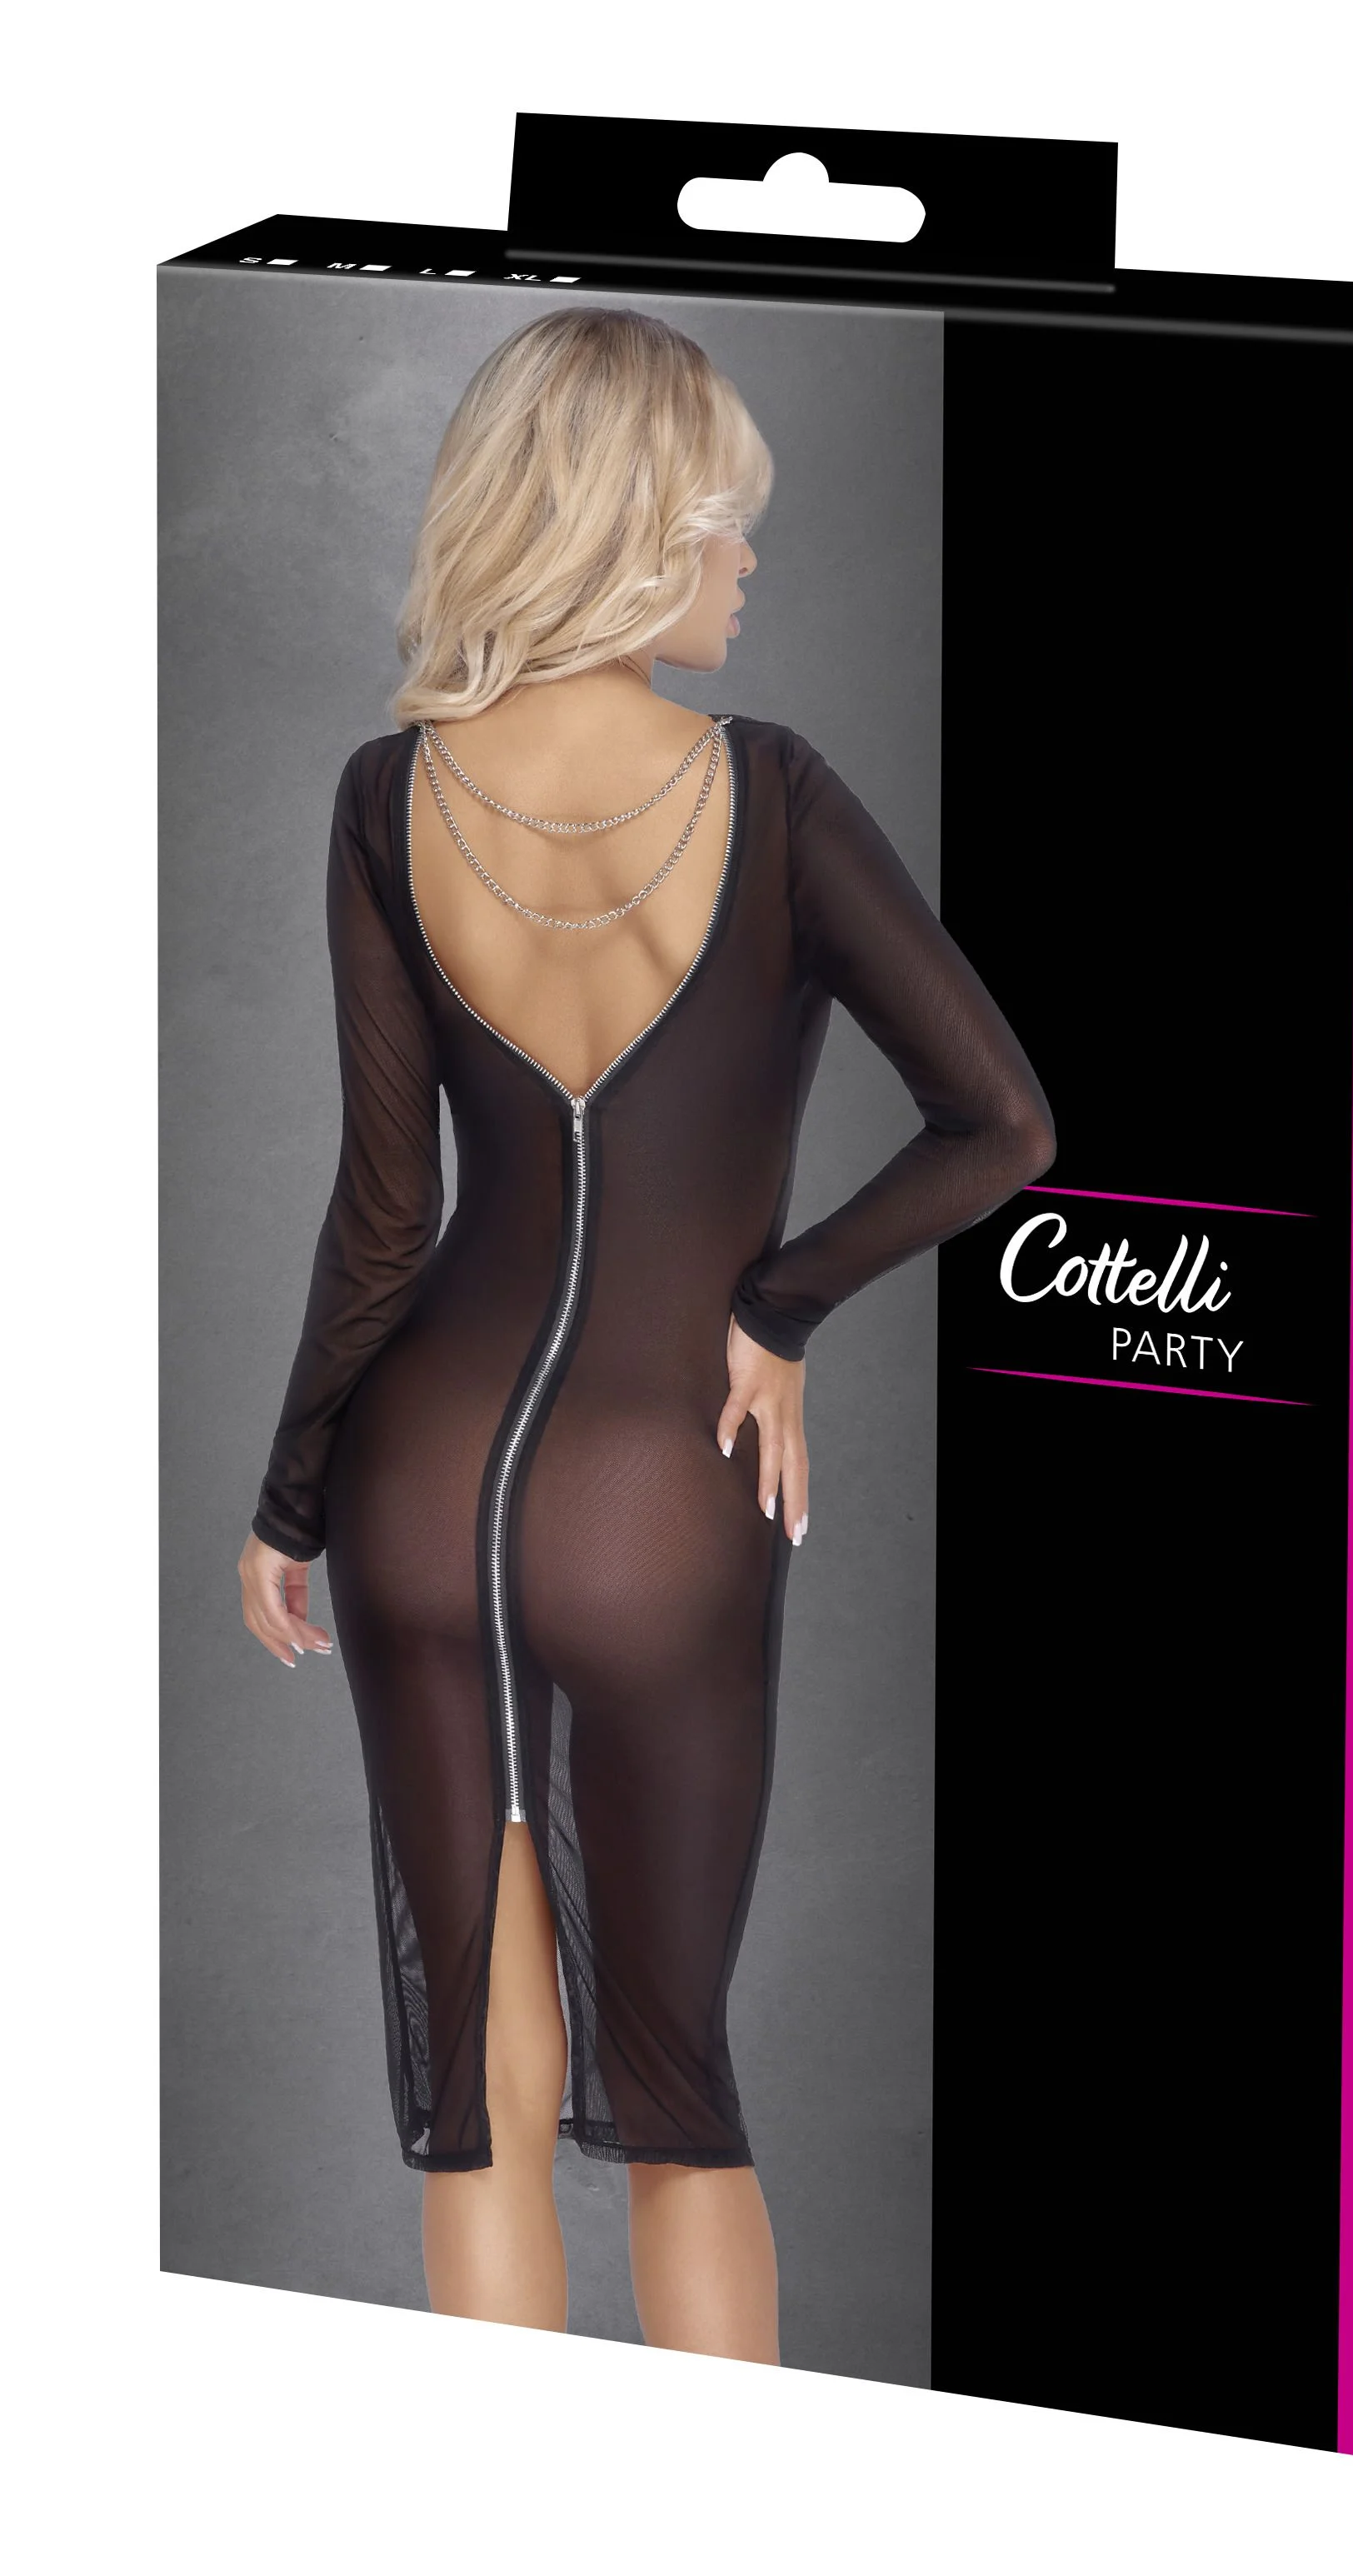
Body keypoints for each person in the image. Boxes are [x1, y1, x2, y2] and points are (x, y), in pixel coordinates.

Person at [237, 306, 1055, 2363]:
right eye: (718, 523)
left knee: (479, 2112)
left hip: (416, 1486)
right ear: (623, 531)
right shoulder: (767, 791)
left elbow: (384, 1213)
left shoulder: (385, 795)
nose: (747, 564)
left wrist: (288, 1500)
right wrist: (774, 1309)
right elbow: (1002, 1125)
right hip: (654, 1488)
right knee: (680, 2107)